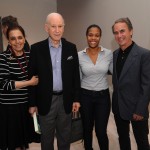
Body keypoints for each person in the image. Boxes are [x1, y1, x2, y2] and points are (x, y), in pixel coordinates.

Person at [28, 12, 80, 150]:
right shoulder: (36, 49)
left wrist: (76, 99)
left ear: (64, 27)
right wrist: (32, 103)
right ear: (46, 28)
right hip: (46, 101)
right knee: (46, 138)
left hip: (66, 100)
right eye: (53, 26)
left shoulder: (71, 48)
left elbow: (76, 77)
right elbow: (32, 78)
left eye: (60, 26)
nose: (57, 30)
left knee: (65, 136)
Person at [112, 17, 150, 150]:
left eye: (122, 31)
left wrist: (140, 109)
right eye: (116, 33)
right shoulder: (115, 54)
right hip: (119, 107)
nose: (119, 35)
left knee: (142, 142)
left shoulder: (144, 54)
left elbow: (147, 85)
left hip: (137, 109)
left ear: (131, 31)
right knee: (123, 139)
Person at [0, 25, 39, 150]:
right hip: (10, 109)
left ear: (24, 38)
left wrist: (34, 103)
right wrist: (29, 82)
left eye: (20, 37)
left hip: (26, 106)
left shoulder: (30, 55)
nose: (17, 42)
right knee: (14, 143)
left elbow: (37, 80)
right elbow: (5, 84)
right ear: (8, 41)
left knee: (24, 142)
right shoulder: (3, 57)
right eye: (13, 39)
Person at [78, 24, 113, 150]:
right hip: (85, 96)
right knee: (87, 130)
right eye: (90, 35)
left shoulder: (108, 54)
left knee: (101, 131)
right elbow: (77, 79)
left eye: (97, 35)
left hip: (102, 97)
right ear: (86, 36)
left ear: (100, 37)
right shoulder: (79, 55)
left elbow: (117, 73)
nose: (93, 38)